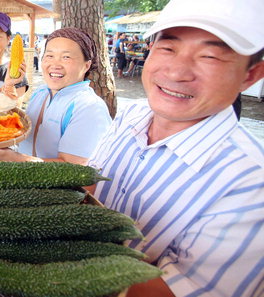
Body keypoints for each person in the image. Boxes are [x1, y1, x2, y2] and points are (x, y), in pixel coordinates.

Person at [87, 0, 264, 296]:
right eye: (168, 48)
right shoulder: (132, 114)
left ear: (250, 75)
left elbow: (179, 290)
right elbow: (92, 185)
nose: (177, 72)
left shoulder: (251, 187)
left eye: (210, 56)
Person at [0, 28, 111, 164]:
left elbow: (75, 169)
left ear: (87, 65)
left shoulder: (89, 107)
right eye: (50, 55)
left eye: (66, 57)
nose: (55, 64)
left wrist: (12, 157)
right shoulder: (41, 92)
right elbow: (20, 127)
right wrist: (9, 86)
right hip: (24, 178)